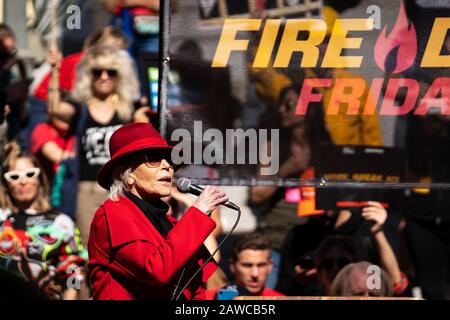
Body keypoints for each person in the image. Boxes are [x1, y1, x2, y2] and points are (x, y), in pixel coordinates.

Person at [88, 122, 229, 300]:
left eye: (169, 159)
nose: (167, 166)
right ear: (127, 174)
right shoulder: (111, 213)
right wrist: (197, 214)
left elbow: (195, 285)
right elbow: (156, 269)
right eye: (153, 158)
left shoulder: (172, 223)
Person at [72, 45, 142, 247]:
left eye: (111, 71)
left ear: (120, 75)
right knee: (89, 246)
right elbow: (53, 110)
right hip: (87, 189)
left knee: (123, 245)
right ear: (89, 75)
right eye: (97, 71)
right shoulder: (80, 108)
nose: (104, 76)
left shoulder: (129, 110)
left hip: (120, 188)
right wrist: (54, 70)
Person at [0, 141, 87, 300]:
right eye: (14, 176)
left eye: (30, 174)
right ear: (5, 183)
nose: (23, 181)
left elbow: (73, 270)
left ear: (40, 178)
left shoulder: (62, 223)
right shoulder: (1, 219)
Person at [205, 232, 284, 299]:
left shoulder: (281, 299)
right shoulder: (208, 298)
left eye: (261, 265)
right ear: (232, 265)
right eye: (247, 265)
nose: (255, 274)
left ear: (270, 266)